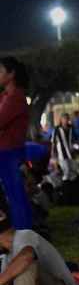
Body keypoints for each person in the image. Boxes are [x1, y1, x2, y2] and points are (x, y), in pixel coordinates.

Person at [0, 56, 33, 230]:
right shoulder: (6, 96)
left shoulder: (15, 97)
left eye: (0, 71)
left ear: (11, 74)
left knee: (16, 195)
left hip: (9, 152)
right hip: (6, 151)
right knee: (13, 195)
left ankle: (24, 233)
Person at [51, 113, 79, 182]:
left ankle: (73, 184)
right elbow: (53, 142)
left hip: (71, 152)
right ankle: (65, 184)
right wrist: (53, 153)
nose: (66, 120)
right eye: (64, 119)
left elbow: (75, 139)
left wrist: (76, 147)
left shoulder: (71, 128)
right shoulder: (57, 129)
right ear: (61, 120)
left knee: (74, 169)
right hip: (62, 153)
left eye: (67, 118)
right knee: (66, 170)